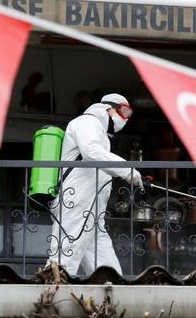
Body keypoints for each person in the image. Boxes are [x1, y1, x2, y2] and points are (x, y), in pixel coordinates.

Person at [47, 93, 143, 276]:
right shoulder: (87, 122)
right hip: (76, 202)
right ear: (108, 108)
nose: (125, 118)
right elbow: (91, 152)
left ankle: (111, 297)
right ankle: (50, 296)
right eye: (124, 111)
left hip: (92, 211)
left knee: (107, 270)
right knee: (63, 260)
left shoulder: (100, 133)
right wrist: (127, 170)